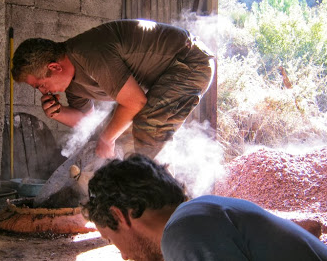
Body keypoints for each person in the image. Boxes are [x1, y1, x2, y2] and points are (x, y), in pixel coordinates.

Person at [83, 154, 327, 261]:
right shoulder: (201, 214)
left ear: (120, 215)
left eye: (111, 239)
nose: (125, 257)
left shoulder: (184, 230)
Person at [12, 19, 214, 159]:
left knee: (146, 124)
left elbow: (135, 102)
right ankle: (143, 197)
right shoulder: (72, 85)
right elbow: (87, 123)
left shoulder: (89, 54)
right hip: (168, 75)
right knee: (120, 129)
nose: (44, 92)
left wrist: (107, 139)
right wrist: (58, 112)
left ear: (54, 68)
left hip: (189, 61)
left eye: (40, 85)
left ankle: (159, 206)